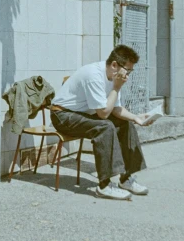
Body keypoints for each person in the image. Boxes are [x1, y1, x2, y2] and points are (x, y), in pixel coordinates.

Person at [50, 44, 151, 200]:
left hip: (83, 113)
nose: (128, 76)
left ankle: (125, 179)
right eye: (127, 70)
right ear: (114, 65)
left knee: (125, 124)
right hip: (62, 115)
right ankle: (104, 186)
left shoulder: (114, 77)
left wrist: (136, 118)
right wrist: (116, 88)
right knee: (105, 127)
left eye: (131, 71)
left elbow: (115, 109)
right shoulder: (94, 75)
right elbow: (104, 114)